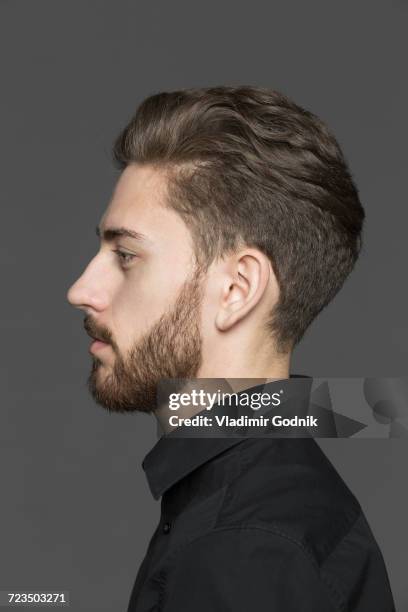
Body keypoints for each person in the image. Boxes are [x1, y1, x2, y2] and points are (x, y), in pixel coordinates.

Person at [67, 86, 395, 611]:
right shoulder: (267, 509)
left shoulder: (244, 547)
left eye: (125, 255)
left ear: (237, 289)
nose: (81, 290)